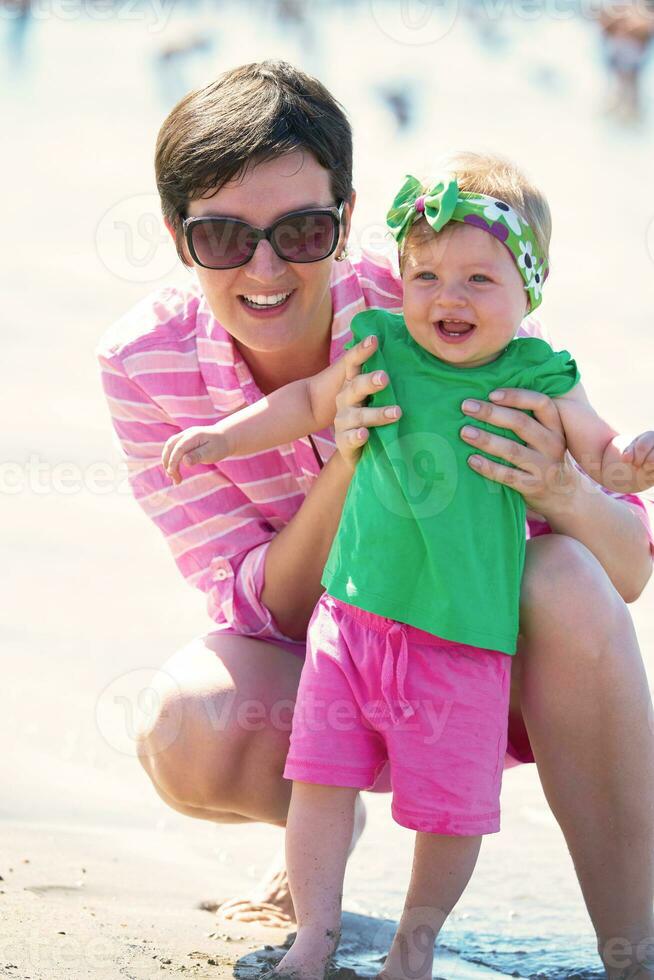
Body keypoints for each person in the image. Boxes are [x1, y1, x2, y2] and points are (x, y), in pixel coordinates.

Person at [96, 62, 654, 978]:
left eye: (303, 231)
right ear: (177, 236)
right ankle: (323, 833)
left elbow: (625, 572)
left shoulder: (434, 290)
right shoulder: (140, 363)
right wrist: (350, 461)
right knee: (186, 724)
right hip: (333, 662)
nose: (266, 269)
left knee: (569, 578)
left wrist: (564, 489)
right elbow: (260, 610)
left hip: (477, 652)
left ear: (347, 218)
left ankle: (633, 942)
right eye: (225, 237)